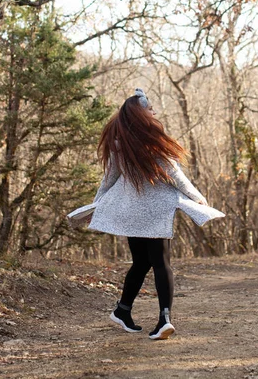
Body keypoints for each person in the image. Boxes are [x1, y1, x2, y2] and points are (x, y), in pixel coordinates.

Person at [85, 88, 224, 340]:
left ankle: (122, 310)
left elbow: (108, 180)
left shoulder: (121, 145)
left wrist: (95, 205)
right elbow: (176, 177)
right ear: (141, 114)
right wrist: (198, 197)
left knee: (142, 262)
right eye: (150, 109)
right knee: (161, 263)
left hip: (133, 213)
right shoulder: (152, 145)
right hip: (154, 213)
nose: (154, 112)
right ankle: (164, 319)